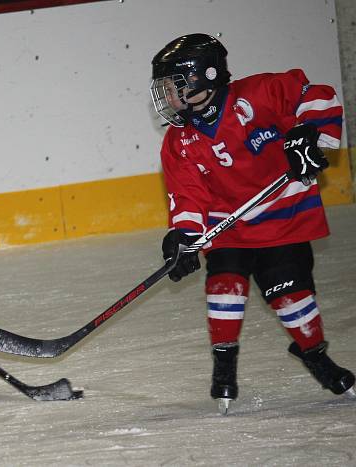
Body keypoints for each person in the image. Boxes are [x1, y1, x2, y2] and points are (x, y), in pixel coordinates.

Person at [149, 34, 355, 413]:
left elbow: (318, 96)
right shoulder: (179, 141)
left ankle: (315, 356)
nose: (168, 98)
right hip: (228, 228)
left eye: (173, 87)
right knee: (223, 287)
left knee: (291, 298)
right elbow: (188, 196)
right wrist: (184, 237)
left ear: (204, 78)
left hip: (284, 221)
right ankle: (224, 369)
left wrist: (310, 135)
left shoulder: (262, 93)